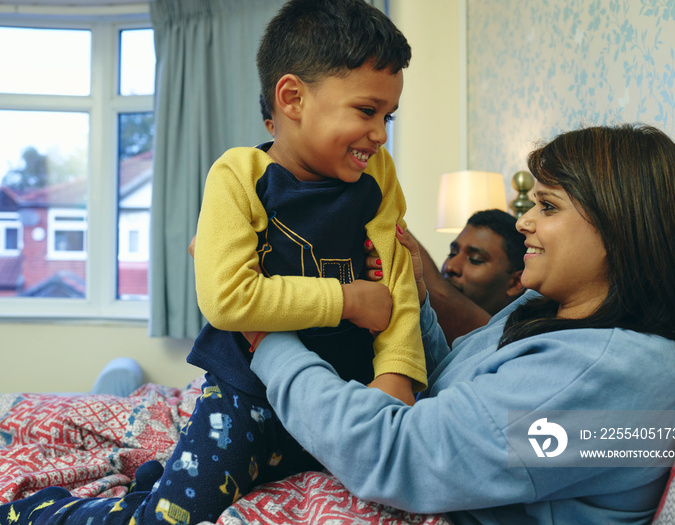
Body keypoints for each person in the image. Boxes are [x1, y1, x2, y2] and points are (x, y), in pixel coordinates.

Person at [0, 1, 426, 523]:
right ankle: (35, 512)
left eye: (389, 116)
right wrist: (349, 300)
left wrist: (398, 374)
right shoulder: (240, 175)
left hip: (336, 399)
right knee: (167, 518)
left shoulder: (377, 175)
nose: (381, 133)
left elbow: (398, 282)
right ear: (291, 98)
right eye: (367, 111)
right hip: (247, 398)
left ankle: (158, 478)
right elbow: (228, 300)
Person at [237, 124, 675, 524]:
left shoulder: (613, 374)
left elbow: (398, 454)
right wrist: (414, 302)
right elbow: (459, 393)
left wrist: (268, 340)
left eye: (549, 207)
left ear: (620, 227)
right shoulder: (546, 311)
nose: (524, 223)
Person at [367, 209, 526, 345]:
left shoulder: (512, 339)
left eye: (475, 259)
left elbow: (438, 292)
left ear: (516, 282)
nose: (450, 266)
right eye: (452, 253)